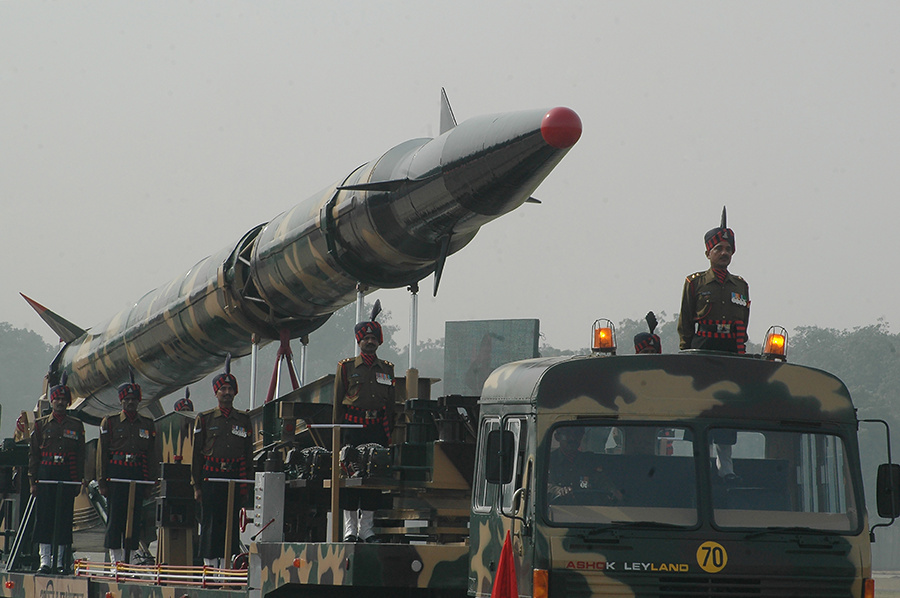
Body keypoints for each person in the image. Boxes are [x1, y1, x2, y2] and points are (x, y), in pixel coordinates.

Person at [334, 300, 395, 542]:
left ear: (379, 342)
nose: (369, 342)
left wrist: (388, 433)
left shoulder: (387, 369)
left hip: (376, 429)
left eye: (374, 339)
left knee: (373, 479)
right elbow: (338, 404)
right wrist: (338, 437)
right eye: (365, 339)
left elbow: (390, 405)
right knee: (350, 478)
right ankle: (351, 529)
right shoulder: (347, 368)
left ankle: (367, 529)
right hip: (352, 428)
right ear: (359, 342)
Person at [191, 356, 253, 568]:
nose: (227, 393)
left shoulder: (244, 420)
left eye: (230, 389)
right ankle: (210, 567)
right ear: (216, 393)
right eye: (223, 389)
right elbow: (197, 455)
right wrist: (197, 485)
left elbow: (248, 455)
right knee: (210, 524)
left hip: (234, 478)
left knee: (230, 525)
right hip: (211, 478)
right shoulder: (205, 419)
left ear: (235, 392)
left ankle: (226, 566)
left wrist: (248, 486)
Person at [97, 376, 157, 564]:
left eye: (134, 399)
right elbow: (102, 453)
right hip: (117, 475)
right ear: (121, 401)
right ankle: (116, 561)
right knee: (115, 519)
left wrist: (150, 483)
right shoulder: (111, 422)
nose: (130, 402)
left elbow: (152, 454)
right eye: (127, 399)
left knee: (134, 519)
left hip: (137, 474)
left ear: (139, 401)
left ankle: (129, 560)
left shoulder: (147, 424)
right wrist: (102, 481)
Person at [29, 372, 85, 574]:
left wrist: (79, 480)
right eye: (57, 399)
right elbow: (34, 455)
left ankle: (60, 562)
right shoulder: (41, 424)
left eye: (64, 399)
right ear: (52, 401)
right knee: (44, 518)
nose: (60, 402)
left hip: (66, 475)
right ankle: (45, 561)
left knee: (63, 519)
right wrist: (32, 481)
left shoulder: (76, 426)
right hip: (46, 475)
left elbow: (80, 455)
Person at [677, 206, 750, 354]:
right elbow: (686, 322)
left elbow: (744, 320)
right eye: (718, 249)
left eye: (728, 249)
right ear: (708, 254)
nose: (724, 253)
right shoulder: (695, 283)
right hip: (703, 345)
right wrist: (685, 351)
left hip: (732, 345)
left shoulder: (740, 286)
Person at [547, 427, 622, 504]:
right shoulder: (548, 461)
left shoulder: (589, 461)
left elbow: (602, 481)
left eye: (577, 434)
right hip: (558, 511)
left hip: (588, 510)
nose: (573, 438)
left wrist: (613, 491)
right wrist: (558, 491)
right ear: (557, 437)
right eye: (567, 434)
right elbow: (542, 486)